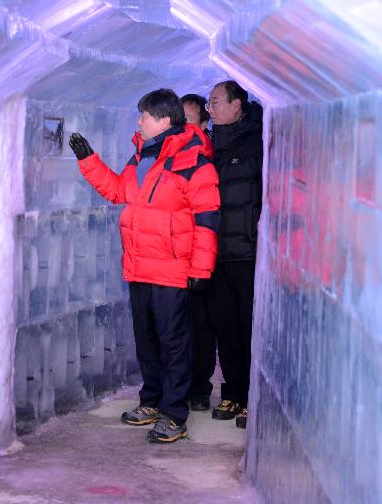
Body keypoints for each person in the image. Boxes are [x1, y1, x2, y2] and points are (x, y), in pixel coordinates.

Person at [68, 88, 220, 443]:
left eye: (145, 116)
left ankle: (174, 413)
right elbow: (118, 192)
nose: (139, 121)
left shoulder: (194, 160)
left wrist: (200, 268)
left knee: (174, 343)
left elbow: (208, 218)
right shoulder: (143, 157)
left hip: (171, 268)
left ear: (165, 120)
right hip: (139, 266)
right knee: (147, 340)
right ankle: (151, 400)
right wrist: (88, 160)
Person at [205, 80, 263, 429]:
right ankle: (233, 392)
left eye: (216, 102)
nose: (211, 109)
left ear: (237, 104)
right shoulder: (211, 144)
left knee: (246, 326)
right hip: (216, 251)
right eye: (209, 104)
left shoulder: (257, 141)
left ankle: (251, 396)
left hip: (247, 252)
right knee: (223, 325)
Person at [180, 93, 216, 411]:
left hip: (201, 255)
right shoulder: (167, 155)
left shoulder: (205, 157)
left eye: (189, 119)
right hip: (174, 255)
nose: (184, 126)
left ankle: (198, 388)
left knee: (201, 324)